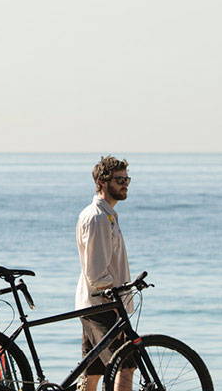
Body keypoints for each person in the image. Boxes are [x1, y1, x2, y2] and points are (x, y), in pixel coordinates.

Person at [75, 155, 135, 391]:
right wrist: (115, 298)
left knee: (94, 370)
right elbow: (96, 272)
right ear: (102, 181)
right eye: (119, 179)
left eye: (127, 179)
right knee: (125, 364)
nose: (125, 184)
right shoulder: (98, 218)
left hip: (98, 304)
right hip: (102, 304)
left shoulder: (107, 215)